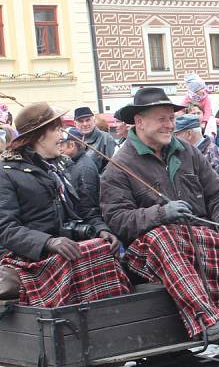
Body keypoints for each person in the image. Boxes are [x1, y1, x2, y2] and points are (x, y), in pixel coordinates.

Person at [100, 87, 219, 340]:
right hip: (147, 252)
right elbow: (118, 220)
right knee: (164, 238)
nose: (169, 125)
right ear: (139, 122)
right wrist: (161, 214)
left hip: (195, 237)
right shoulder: (119, 167)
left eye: (172, 118)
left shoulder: (188, 152)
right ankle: (205, 319)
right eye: (162, 119)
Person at [0, 103, 130, 305]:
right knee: (81, 255)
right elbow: (6, 229)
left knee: (101, 248)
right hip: (32, 258)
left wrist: (101, 229)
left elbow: (85, 210)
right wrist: (48, 242)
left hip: (69, 249)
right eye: (56, 130)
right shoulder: (6, 172)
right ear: (39, 135)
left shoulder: (62, 166)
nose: (62, 136)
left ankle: (111, 322)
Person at [59, 132, 103, 220]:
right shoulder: (74, 164)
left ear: (71, 145)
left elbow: (88, 206)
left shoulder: (84, 168)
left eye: (61, 145)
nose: (59, 148)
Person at [173, 114, 219, 182]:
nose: (174, 138)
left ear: (189, 133)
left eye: (176, 135)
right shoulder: (187, 151)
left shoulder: (211, 153)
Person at [69, 106, 118, 172]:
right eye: (81, 121)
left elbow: (113, 167)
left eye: (88, 120)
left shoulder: (106, 138)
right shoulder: (74, 140)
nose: (85, 124)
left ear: (94, 121)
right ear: (75, 124)